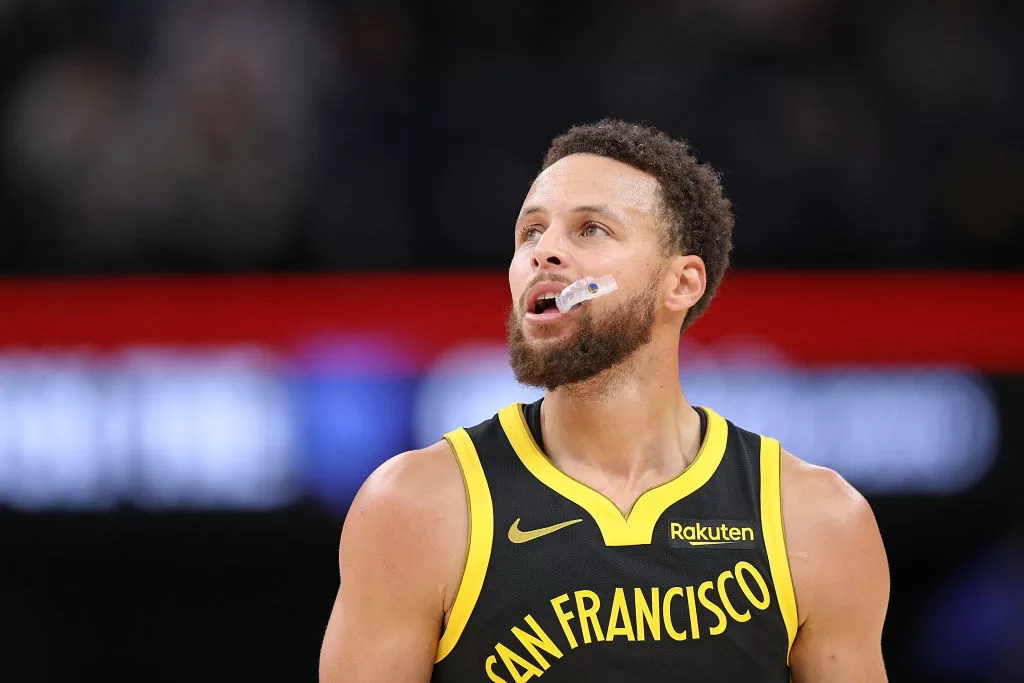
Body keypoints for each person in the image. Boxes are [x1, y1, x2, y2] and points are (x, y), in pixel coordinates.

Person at [319, 119, 890, 682]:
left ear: (682, 283)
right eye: (531, 233)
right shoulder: (416, 508)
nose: (545, 253)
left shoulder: (814, 521)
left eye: (591, 229)